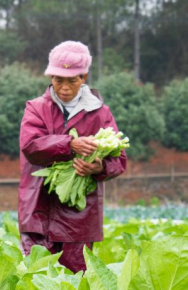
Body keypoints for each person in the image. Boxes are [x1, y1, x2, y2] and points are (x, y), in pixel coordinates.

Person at [18, 41, 127, 273]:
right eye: (59, 80)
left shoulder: (100, 113)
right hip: (39, 209)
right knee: (36, 279)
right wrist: (70, 144)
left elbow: (119, 160)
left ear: (84, 77)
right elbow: (30, 146)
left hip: (80, 217)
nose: (64, 87)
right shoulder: (36, 108)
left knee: (76, 283)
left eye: (72, 80)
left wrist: (98, 168)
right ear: (50, 78)